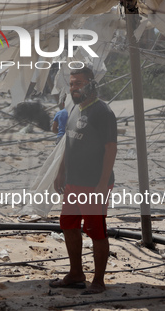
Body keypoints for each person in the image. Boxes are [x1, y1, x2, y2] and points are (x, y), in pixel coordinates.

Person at [50, 66, 117, 294]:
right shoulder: (74, 110)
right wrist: (60, 172)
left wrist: (102, 183)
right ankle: (76, 273)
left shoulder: (103, 112)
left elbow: (111, 149)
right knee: (68, 225)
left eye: (78, 83)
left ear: (90, 84)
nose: (73, 88)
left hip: (93, 183)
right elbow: (67, 145)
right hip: (73, 181)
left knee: (96, 230)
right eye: (71, 84)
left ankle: (98, 281)